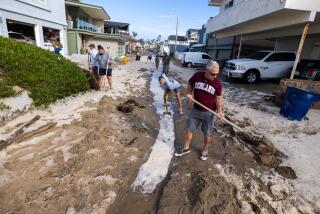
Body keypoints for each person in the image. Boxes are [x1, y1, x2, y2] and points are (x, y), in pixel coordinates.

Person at [175, 60, 224, 161]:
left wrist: (220, 111)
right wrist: (189, 93)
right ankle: (186, 148)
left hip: (209, 113)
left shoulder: (217, 83)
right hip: (196, 110)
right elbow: (190, 83)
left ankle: (205, 151)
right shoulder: (197, 76)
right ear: (206, 71)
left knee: (208, 133)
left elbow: (218, 98)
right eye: (213, 74)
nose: (215, 76)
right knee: (190, 129)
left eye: (217, 74)